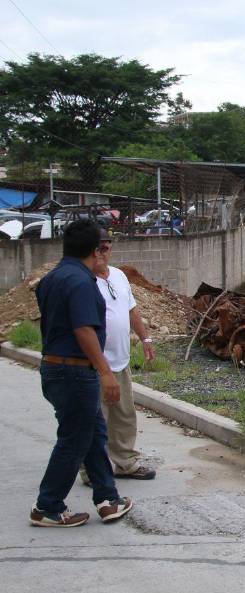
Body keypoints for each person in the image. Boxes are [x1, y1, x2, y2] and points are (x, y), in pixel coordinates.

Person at [31, 219, 133, 527]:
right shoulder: (81, 282)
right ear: (96, 250)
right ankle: (47, 506)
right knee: (74, 440)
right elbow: (84, 330)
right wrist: (106, 372)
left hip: (54, 369)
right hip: (75, 372)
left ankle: (107, 498)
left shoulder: (52, 279)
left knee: (92, 434)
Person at [80, 231, 156, 482]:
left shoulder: (119, 276)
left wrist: (145, 338)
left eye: (106, 248)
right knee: (96, 418)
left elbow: (132, 310)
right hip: (96, 364)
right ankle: (93, 470)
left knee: (124, 415)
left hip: (121, 361)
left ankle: (126, 462)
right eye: (97, 248)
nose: (102, 253)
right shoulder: (83, 281)